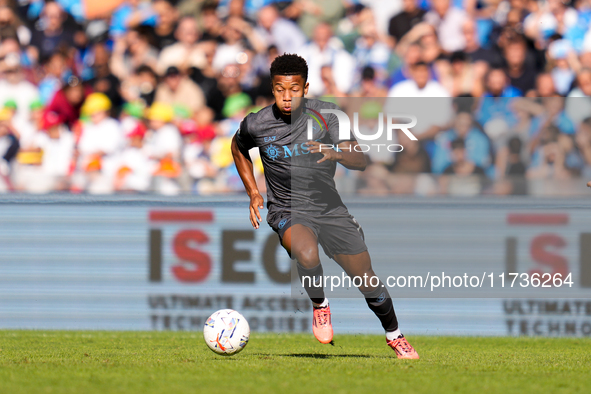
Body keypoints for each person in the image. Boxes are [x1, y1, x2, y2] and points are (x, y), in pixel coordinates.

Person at [230, 53, 419, 359]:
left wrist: (336, 154)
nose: (287, 96)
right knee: (306, 254)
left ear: (305, 87)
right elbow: (237, 147)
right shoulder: (257, 123)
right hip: (287, 209)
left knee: (366, 278)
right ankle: (320, 305)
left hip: (329, 209)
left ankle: (394, 335)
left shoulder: (329, 115)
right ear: (272, 88)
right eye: (280, 89)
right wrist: (253, 192)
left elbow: (361, 160)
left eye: (293, 89)